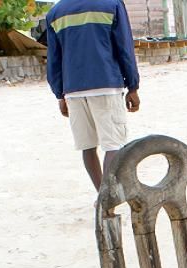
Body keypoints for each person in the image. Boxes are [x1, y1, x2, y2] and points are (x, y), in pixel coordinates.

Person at [45, 0, 140, 191]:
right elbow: (124, 47)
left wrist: (59, 94)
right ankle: (107, 200)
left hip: (73, 89)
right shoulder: (111, 4)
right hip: (106, 84)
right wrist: (133, 86)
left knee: (87, 147)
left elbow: (54, 59)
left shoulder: (56, 12)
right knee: (113, 145)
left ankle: (101, 197)